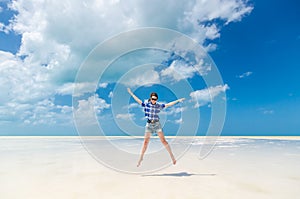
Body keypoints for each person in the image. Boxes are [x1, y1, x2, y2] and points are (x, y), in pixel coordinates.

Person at [127, 88, 185, 167]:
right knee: (145, 143)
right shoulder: (146, 104)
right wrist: (131, 93)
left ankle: (172, 156)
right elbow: (138, 101)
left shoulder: (158, 106)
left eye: (155, 99)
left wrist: (178, 100)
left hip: (157, 124)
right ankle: (141, 158)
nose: (154, 100)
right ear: (150, 98)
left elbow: (168, 105)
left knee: (163, 141)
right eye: (152, 99)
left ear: (156, 99)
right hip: (149, 124)